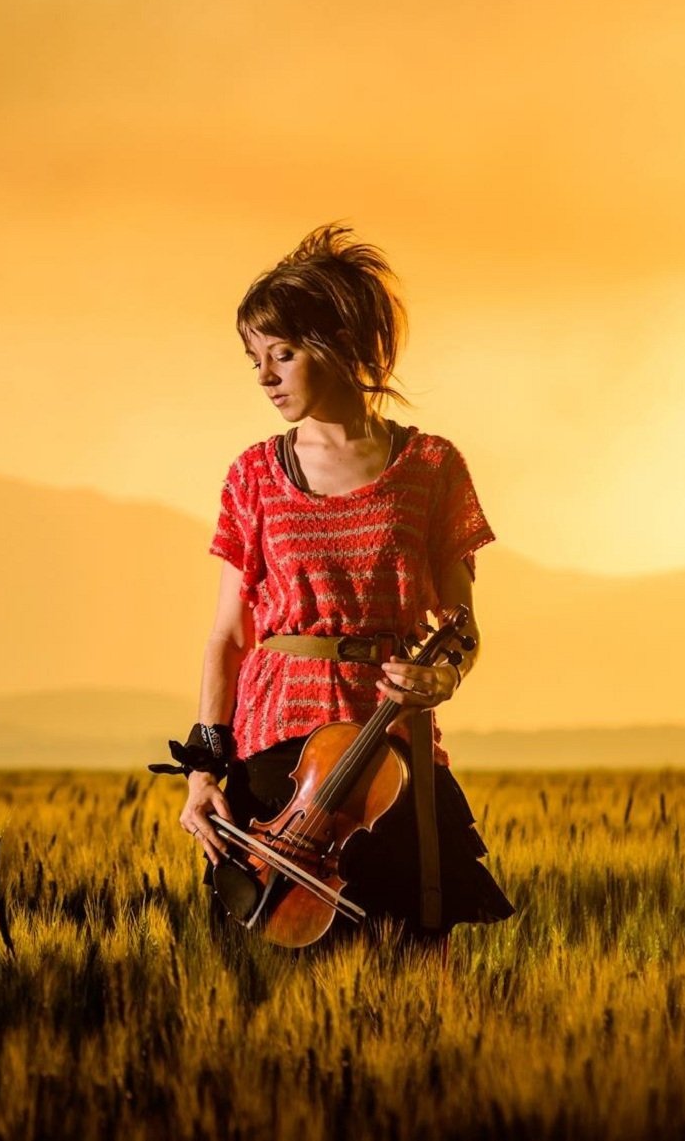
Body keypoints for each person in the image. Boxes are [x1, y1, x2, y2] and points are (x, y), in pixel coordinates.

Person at [169, 222, 515, 958]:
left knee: (415, 983)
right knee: (264, 990)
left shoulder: (431, 466)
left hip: (389, 760)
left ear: (340, 340)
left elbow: (464, 625)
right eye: (253, 358)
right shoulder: (252, 475)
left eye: (283, 352)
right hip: (274, 766)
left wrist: (443, 672)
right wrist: (202, 770)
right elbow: (229, 636)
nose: (264, 374)